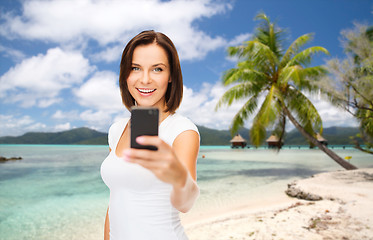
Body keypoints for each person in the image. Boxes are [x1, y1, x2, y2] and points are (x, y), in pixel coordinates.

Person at [100, 30, 200, 240]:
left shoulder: (182, 131)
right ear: (125, 73)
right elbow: (116, 201)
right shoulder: (116, 130)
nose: (145, 79)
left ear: (171, 75)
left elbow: (186, 204)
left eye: (157, 69)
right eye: (135, 68)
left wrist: (178, 175)